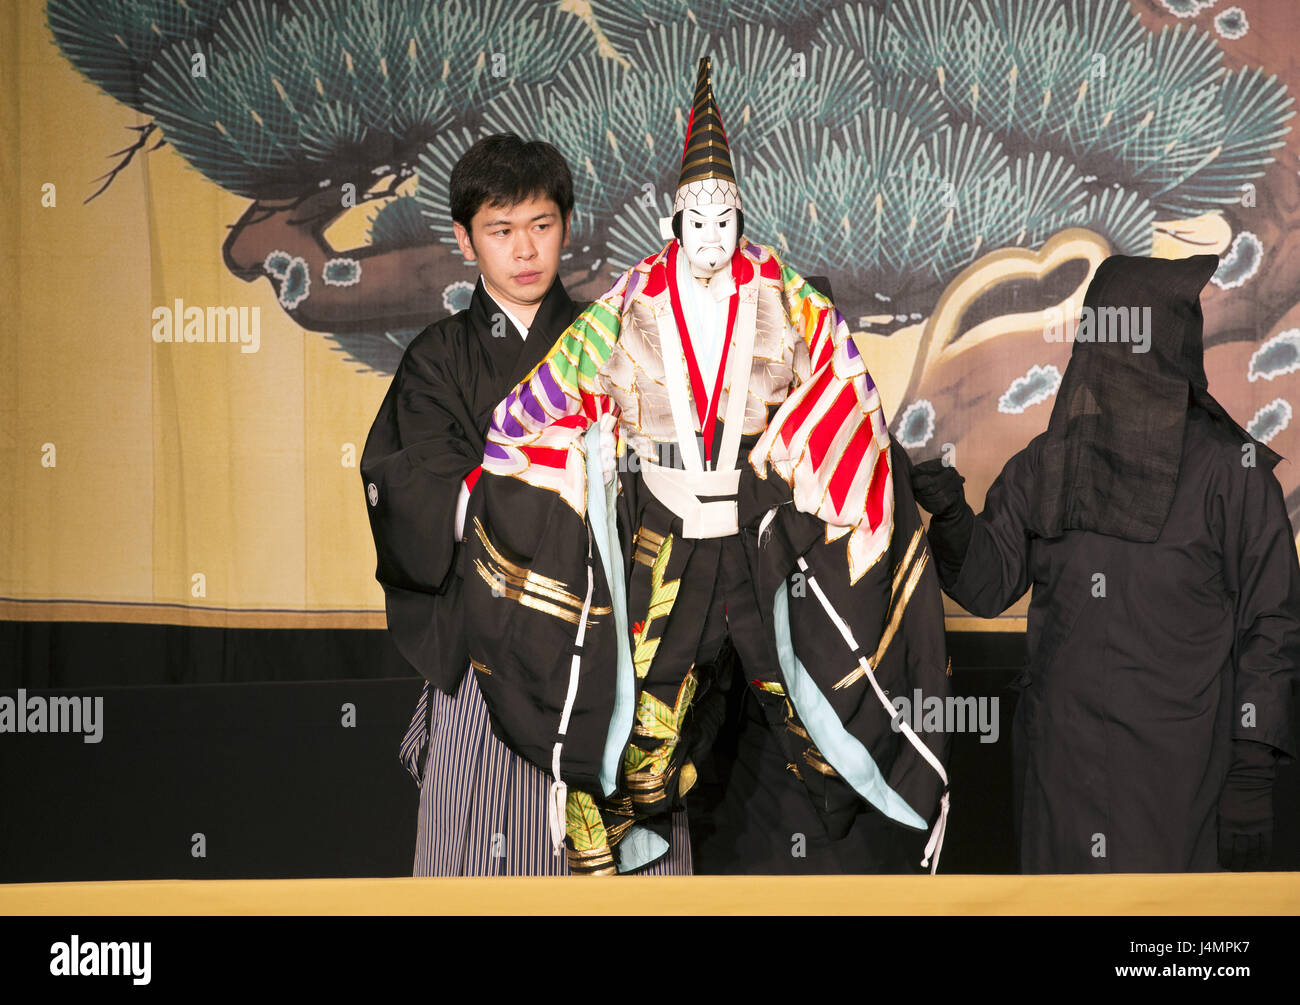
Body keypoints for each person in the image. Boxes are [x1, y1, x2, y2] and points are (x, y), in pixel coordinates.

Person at [462, 58, 951, 876]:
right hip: (666, 531)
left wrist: (813, 461)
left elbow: (847, 392)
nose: (714, 237)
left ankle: (886, 818)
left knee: (810, 693)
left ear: (741, 218)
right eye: (699, 220)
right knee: (640, 719)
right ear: (674, 217)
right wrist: (524, 462)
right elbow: (547, 397)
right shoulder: (629, 298)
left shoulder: (786, 293)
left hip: (756, 535)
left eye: (727, 221)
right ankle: (598, 842)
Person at [360, 133, 691, 875]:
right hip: (491, 653)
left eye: (541, 225)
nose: (524, 249)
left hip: (615, 656)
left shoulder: (618, 344)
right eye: (500, 230)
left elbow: (665, 488)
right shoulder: (439, 359)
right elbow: (419, 490)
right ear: (464, 240)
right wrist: (552, 484)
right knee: (481, 866)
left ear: (566, 225)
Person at [909, 253, 1300, 873]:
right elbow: (987, 586)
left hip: (1179, 778)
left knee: (1165, 960)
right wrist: (952, 516)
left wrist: (1251, 767)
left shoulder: (1232, 473)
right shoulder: (1049, 462)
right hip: (1061, 771)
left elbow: (1272, 625)